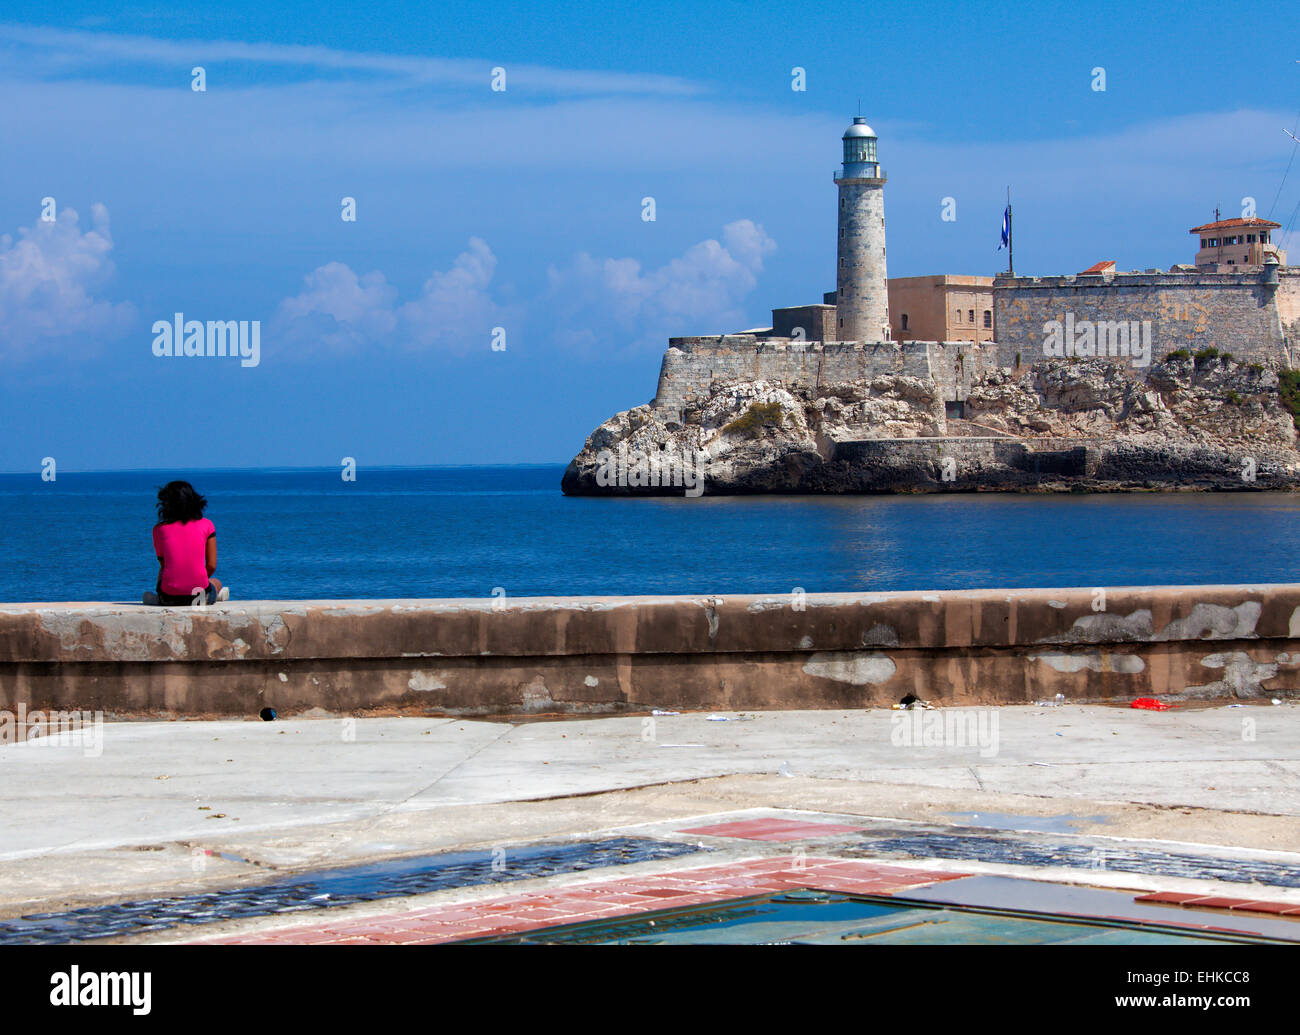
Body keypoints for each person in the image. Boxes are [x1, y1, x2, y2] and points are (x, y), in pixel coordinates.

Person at [142, 481, 230, 606]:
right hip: (199, 596)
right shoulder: (207, 525)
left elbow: (164, 564)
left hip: (169, 598)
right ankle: (215, 593)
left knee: (163, 571)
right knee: (216, 582)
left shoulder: (159, 529)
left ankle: (158, 598)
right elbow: (211, 565)